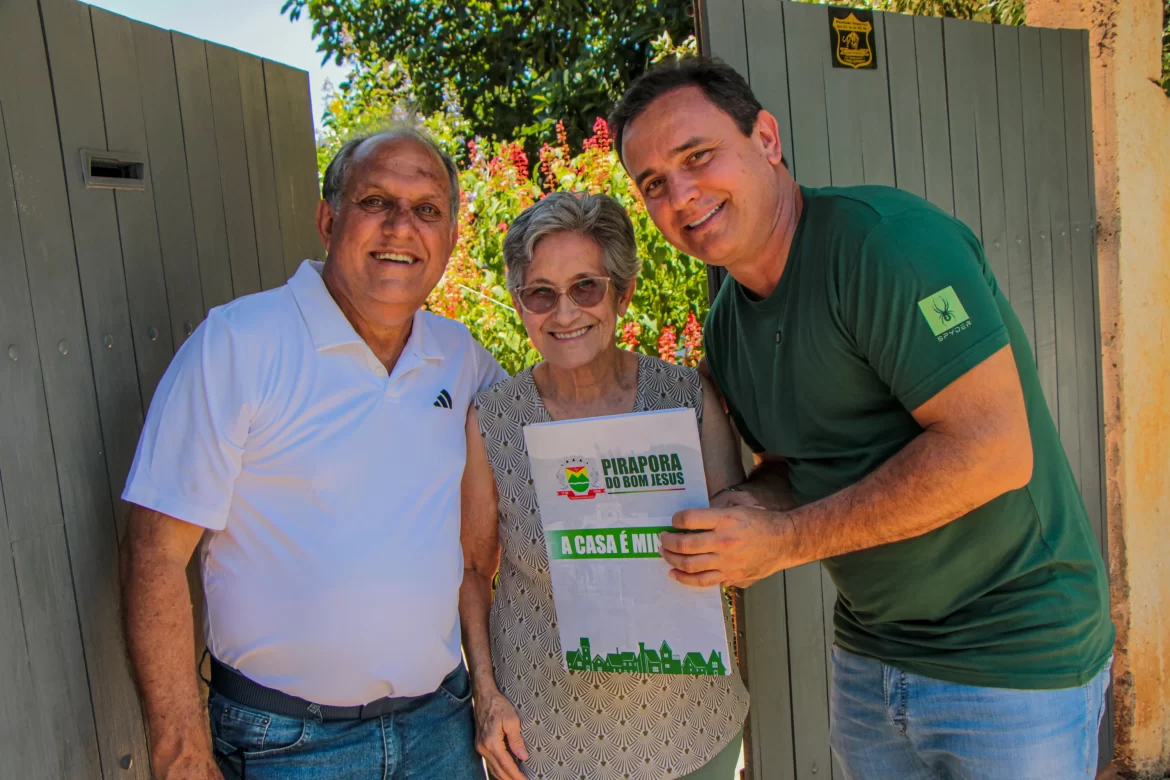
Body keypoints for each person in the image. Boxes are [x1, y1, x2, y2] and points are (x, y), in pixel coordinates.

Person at [608, 57, 1115, 779]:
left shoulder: (887, 246)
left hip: (1014, 658)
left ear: (766, 139)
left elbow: (994, 448)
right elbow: (792, 469)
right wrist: (742, 513)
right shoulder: (726, 329)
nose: (681, 195)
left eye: (697, 156)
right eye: (653, 184)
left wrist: (784, 541)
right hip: (871, 661)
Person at [120, 127, 505, 779]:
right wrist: (181, 751)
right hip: (287, 745)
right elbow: (154, 551)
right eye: (375, 201)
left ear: (449, 238)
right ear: (328, 220)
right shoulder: (240, 343)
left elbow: (541, 451)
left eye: (427, 209)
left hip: (440, 731)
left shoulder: (459, 356)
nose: (401, 227)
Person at [458, 191, 749, 780]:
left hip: (691, 730)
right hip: (547, 741)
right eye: (541, 293)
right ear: (520, 305)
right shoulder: (493, 420)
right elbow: (472, 569)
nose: (564, 313)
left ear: (624, 292)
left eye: (585, 287)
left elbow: (742, 550)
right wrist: (484, 693)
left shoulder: (685, 399)